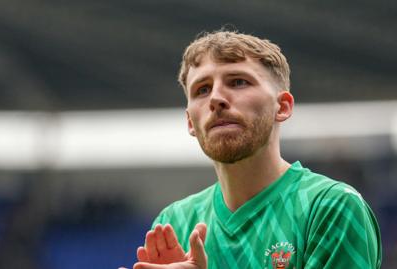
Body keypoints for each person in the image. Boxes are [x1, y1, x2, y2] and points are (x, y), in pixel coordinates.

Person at [122, 30, 382, 269]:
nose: (216, 99)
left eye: (238, 82)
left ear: (282, 107)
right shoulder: (174, 222)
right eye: (202, 89)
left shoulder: (330, 206)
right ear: (191, 121)